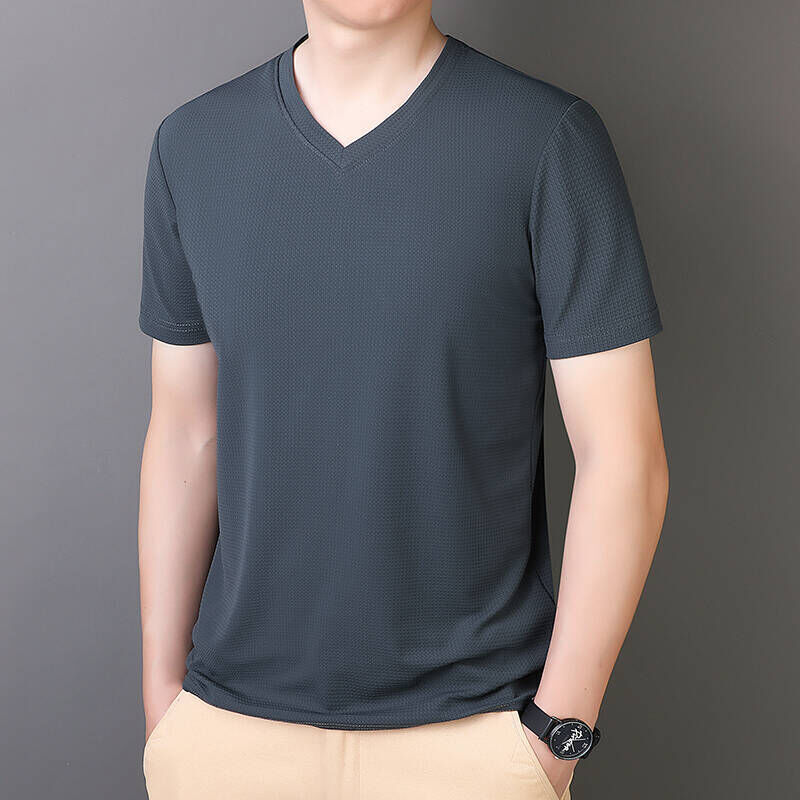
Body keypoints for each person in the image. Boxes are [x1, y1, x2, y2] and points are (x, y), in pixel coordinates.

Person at [137, 2, 668, 798]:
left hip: (474, 743)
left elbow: (624, 459)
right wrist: (163, 703)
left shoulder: (546, 139)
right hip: (228, 738)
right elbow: (185, 431)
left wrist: (556, 732)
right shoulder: (193, 146)